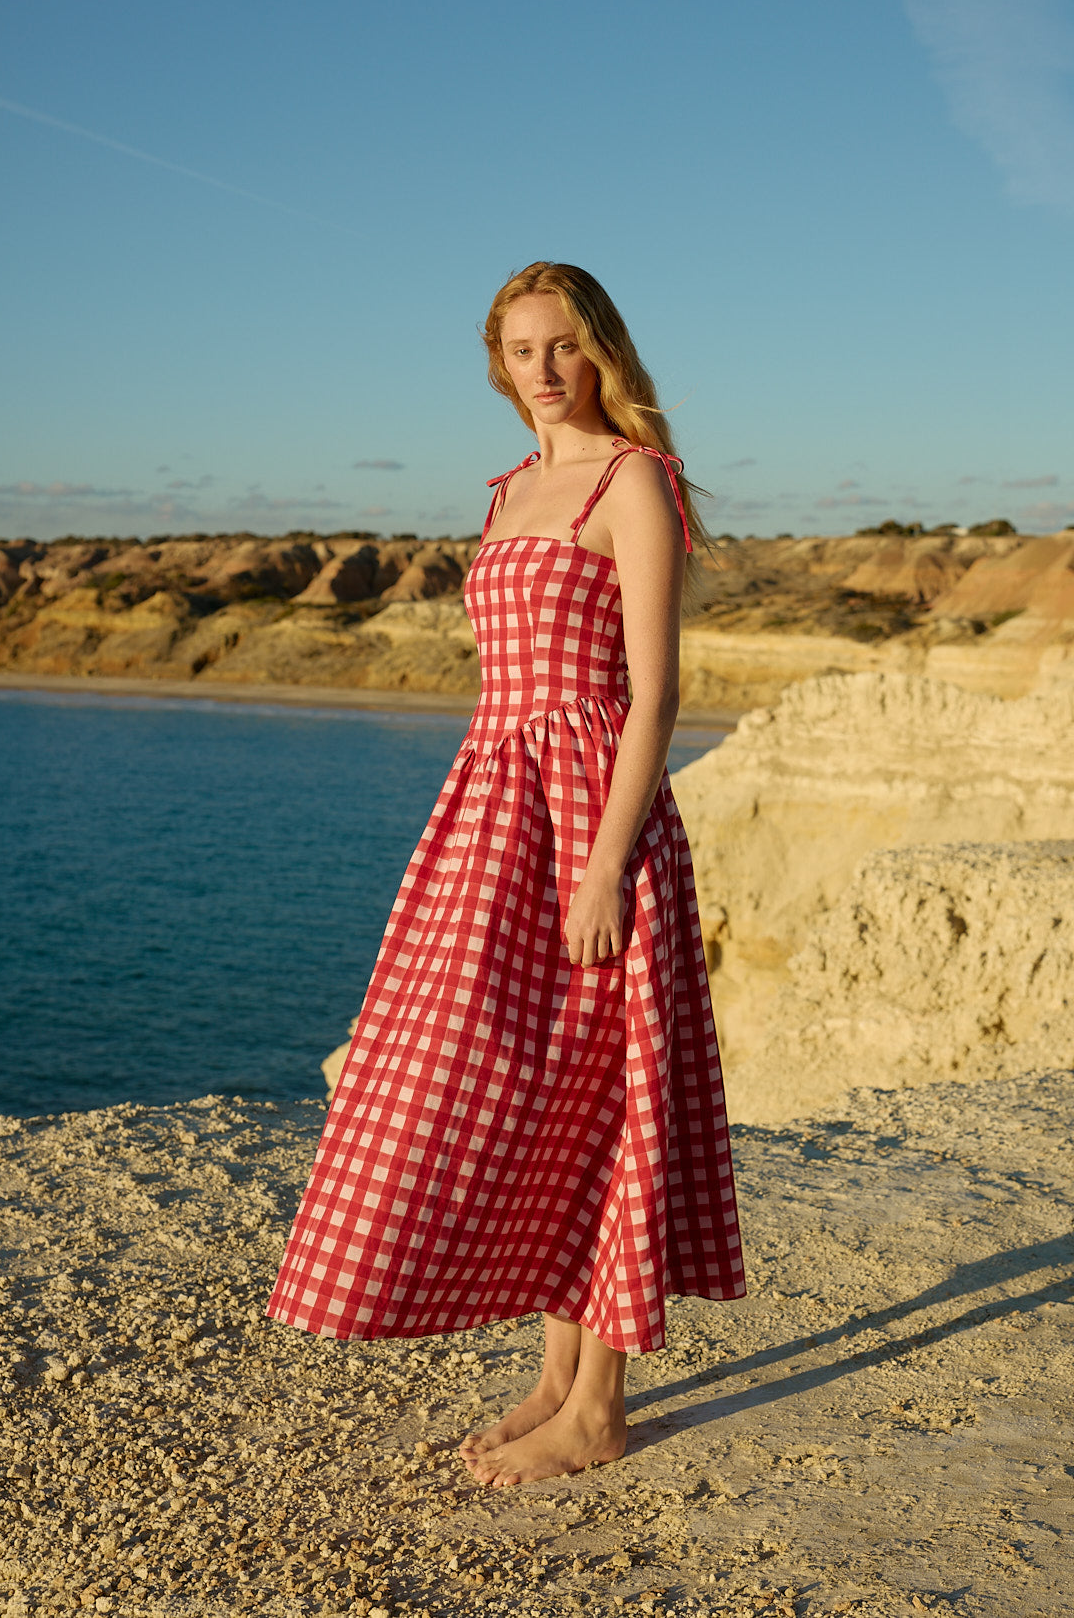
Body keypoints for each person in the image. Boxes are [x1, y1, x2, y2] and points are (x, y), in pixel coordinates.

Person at [266, 261, 746, 1487]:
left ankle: (600, 1405)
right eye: (521, 348)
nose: (543, 368)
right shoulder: (508, 490)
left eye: (563, 344)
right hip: (495, 808)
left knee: (609, 1087)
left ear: (602, 350)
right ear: (498, 362)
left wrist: (607, 865)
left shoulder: (636, 479)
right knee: (522, 1082)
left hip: (594, 813)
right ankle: (552, 1375)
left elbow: (655, 695)